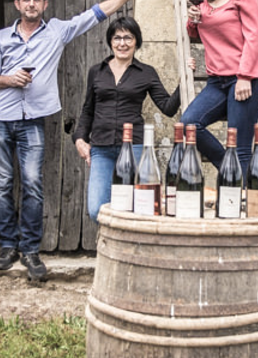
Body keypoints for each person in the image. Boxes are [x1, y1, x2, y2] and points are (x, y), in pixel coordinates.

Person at [0, 0, 138, 280]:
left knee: (33, 184)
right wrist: (9, 79)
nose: (31, 4)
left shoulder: (56, 31)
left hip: (32, 121)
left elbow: (95, 14)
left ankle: (30, 250)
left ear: (45, 4)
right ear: (17, 4)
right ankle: (8, 245)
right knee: (2, 184)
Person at [73, 16, 180, 221]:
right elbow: (88, 110)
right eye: (117, 38)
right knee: (97, 209)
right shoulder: (96, 71)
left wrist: (183, 82)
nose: (122, 43)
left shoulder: (146, 73)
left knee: (135, 207)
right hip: (101, 149)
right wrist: (79, 139)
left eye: (128, 38)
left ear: (136, 41)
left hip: (134, 149)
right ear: (110, 42)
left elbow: (168, 107)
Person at [182, 0, 258, 176]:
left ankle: (239, 192)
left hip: (245, 81)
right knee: (189, 124)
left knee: (240, 149)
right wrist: (192, 19)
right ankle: (228, 171)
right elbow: (195, 33)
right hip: (217, 82)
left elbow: (253, 38)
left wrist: (245, 77)